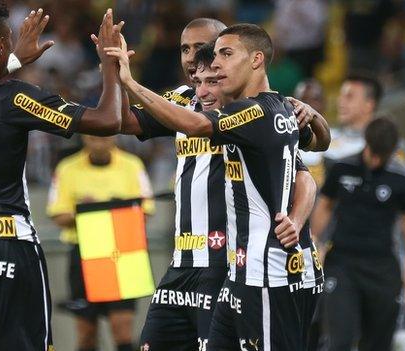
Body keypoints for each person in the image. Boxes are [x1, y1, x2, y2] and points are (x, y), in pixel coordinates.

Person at [109, 20, 329, 350]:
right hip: (214, 267)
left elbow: (304, 173)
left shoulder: (254, 111)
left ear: (252, 59)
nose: (202, 62)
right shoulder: (187, 101)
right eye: (186, 50)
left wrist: (128, 80)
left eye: (219, 54)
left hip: (251, 268)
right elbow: (123, 121)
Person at [0, 1, 124, 350]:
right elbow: (107, 121)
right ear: (1, 44)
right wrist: (109, 64)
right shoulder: (16, 98)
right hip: (7, 245)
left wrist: (11, 58)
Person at [311, 118, 405, 351]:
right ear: (366, 143)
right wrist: (314, 241)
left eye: (381, 156)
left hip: (383, 268)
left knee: (378, 344)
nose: (374, 160)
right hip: (342, 264)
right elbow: (324, 205)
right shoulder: (342, 167)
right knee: (339, 341)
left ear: (392, 152)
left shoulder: (402, 176)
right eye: (372, 152)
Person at [46, 135, 155, 351]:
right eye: (93, 137)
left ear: (114, 136)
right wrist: (91, 212)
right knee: (86, 333)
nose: (99, 142)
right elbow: (57, 215)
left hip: (123, 254)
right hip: (84, 254)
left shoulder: (132, 165)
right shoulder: (68, 168)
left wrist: (106, 210)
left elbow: (146, 211)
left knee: (122, 328)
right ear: (85, 138)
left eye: (104, 136)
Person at [324, 73, 405, 169]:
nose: (340, 101)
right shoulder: (327, 140)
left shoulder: (390, 144)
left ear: (369, 104)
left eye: (349, 96)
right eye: (341, 96)